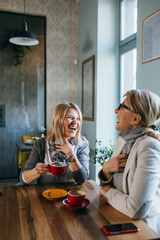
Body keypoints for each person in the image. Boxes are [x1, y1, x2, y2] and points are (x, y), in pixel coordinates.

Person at [99, 89, 160, 234]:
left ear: (135, 119)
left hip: (141, 231)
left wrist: (109, 194)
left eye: (122, 106)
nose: (116, 110)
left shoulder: (149, 147)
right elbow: (105, 187)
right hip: (116, 220)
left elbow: (136, 209)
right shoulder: (122, 140)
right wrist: (106, 170)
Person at [20, 103, 90, 185]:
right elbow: (23, 179)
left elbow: (82, 179)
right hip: (46, 193)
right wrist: (36, 171)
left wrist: (71, 154)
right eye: (70, 118)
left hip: (72, 194)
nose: (75, 122)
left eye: (78, 119)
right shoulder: (41, 144)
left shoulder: (82, 144)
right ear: (58, 120)